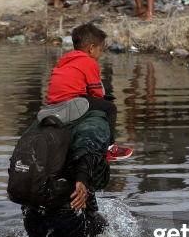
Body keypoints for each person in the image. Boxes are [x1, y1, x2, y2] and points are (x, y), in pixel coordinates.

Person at [47, 22, 133, 162]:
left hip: (53, 103)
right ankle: (109, 148)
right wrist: (102, 101)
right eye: (101, 49)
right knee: (110, 108)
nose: (100, 53)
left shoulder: (65, 59)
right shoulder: (89, 62)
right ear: (92, 48)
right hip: (72, 101)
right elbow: (96, 91)